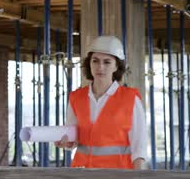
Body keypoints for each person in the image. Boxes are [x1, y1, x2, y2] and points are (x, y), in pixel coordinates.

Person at [55, 35, 147, 170]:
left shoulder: (130, 99)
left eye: (107, 62)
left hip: (118, 177)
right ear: (89, 64)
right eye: (95, 61)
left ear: (116, 66)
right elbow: (73, 138)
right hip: (82, 176)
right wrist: (68, 143)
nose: (100, 67)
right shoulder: (76, 97)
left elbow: (139, 148)